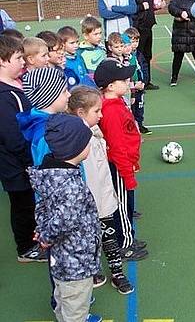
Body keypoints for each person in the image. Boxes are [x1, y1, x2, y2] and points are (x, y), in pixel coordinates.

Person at [27, 113, 102, 322]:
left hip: (61, 261)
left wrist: (43, 230)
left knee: (63, 301)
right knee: (75, 306)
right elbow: (64, 221)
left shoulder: (51, 174)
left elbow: (43, 207)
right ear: (76, 148)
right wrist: (46, 236)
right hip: (75, 263)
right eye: (87, 141)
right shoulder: (71, 186)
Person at [68, 86, 135, 294]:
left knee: (109, 234)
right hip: (88, 199)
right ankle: (94, 269)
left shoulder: (93, 131)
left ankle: (117, 272)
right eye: (96, 111)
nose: (101, 114)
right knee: (90, 237)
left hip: (104, 195)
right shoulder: (74, 139)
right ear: (80, 113)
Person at [94, 59, 148, 261]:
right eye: (124, 80)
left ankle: (127, 236)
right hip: (119, 166)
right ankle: (124, 244)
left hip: (126, 163)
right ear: (110, 86)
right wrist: (128, 174)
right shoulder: (111, 110)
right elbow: (117, 147)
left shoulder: (116, 103)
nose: (128, 83)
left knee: (126, 203)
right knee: (122, 205)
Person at [0, 35, 46, 263]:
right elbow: (12, 137)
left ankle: (33, 238)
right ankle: (25, 248)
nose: (22, 62)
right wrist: (31, 159)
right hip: (15, 166)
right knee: (22, 204)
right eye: (18, 58)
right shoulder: (4, 96)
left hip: (23, 161)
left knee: (29, 202)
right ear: (2, 61)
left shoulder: (15, 86)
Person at [130, 0, 160, 90]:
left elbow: (149, 9)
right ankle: (139, 82)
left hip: (148, 28)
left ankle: (147, 82)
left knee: (147, 56)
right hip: (139, 29)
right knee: (138, 56)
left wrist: (156, 7)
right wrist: (141, 7)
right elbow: (132, 9)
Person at [124, 27, 151, 135]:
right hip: (130, 88)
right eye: (132, 42)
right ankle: (131, 128)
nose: (134, 44)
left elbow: (144, 68)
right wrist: (133, 85)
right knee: (130, 108)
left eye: (136, 41)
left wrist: (144, 82)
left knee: (140, 107)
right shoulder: (125, 57)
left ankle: (139, 125)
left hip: (140, 87)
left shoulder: (139, 55)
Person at [58, 26, 96, 90]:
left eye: (77, 42)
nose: (76, 45)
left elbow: (86, 74)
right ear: (62, 44)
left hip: (86, 90)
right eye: (72, 43)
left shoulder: (79, 57)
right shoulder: (62, 61)